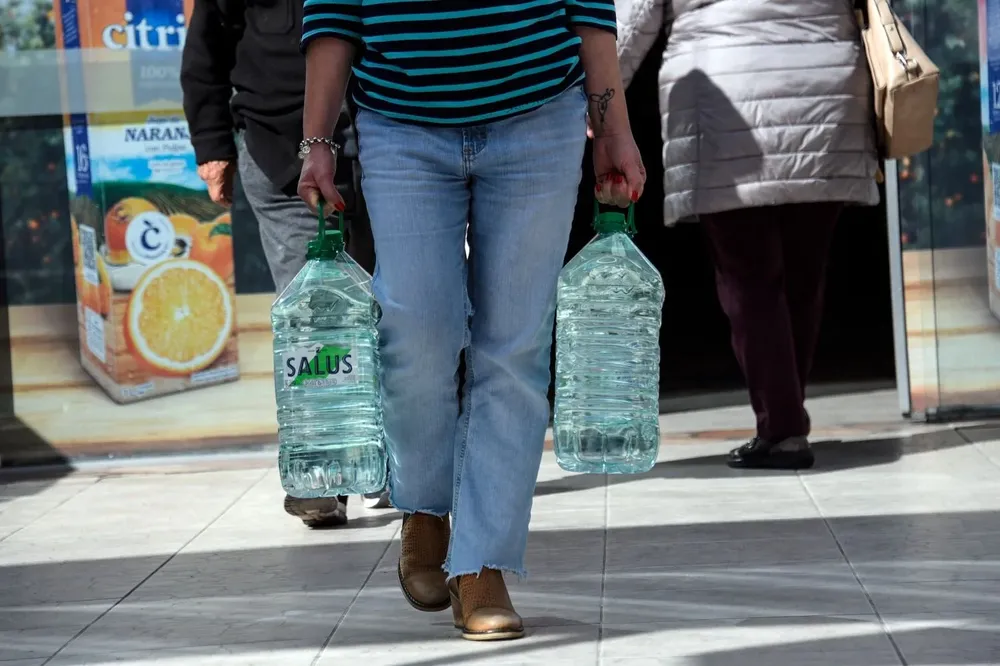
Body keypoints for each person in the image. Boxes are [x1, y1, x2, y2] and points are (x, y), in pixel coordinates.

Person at [297, 0, 644, 641]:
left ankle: (482, 562)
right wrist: (318, 140)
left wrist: (613, 129)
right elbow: (333, 11)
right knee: (416, 334)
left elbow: (590, 7)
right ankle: (424, 504)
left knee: (514, 348)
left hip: (538, 114)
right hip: (401, 120)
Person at [617, 0, 879, 470]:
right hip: (826, 87)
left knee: (749, 278)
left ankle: (782, 427)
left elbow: (633, 18)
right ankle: (786, 417)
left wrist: (593, 100)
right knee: (804, 275)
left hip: (725, 94)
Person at [179, 0, 388, 528]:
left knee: (397, 314)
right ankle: (322, 475)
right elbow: (207, 43)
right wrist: (211, 143)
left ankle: (391, 463)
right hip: (280, 151)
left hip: (396, 145)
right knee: (312, 319)